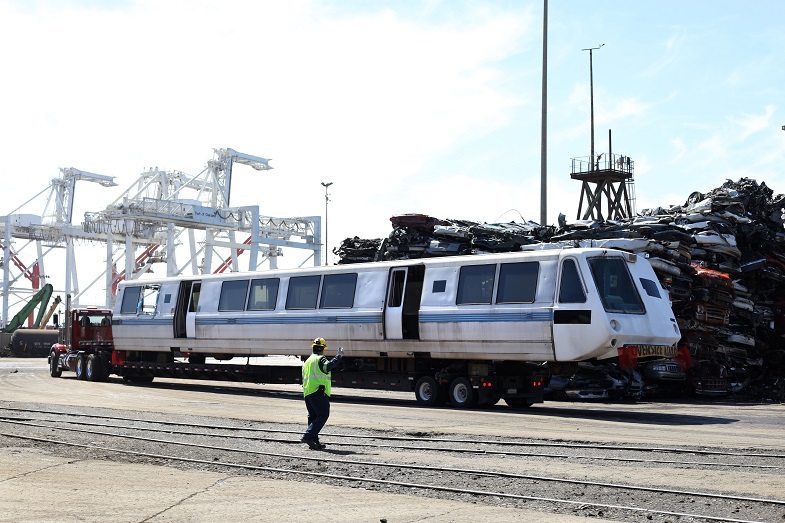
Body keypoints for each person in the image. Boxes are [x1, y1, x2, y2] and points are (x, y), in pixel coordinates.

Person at [301, 337, 343, 450]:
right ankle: (308, 436)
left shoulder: (307, 361)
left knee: (313, 416)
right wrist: (338, 357)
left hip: (308, 392)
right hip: (317, 392)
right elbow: (327, 367)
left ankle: (314, 441)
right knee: (323, 414)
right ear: (322, 349)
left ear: (313, 348)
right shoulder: (320, 359)